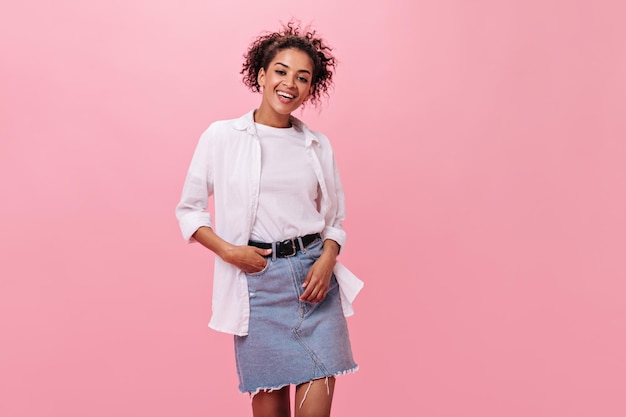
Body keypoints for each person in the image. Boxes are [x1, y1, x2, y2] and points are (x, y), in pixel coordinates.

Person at [175, 21, 363, 417]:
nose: (290, 84)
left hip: (315, 284)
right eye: (281, 71)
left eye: (302, 77)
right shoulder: (221, 137)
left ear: (311, 88)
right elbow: (189, 211)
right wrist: (229, 252)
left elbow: (335, 220)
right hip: (258, 287)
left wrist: (328, 260)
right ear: (261, 75)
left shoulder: (316, 145)